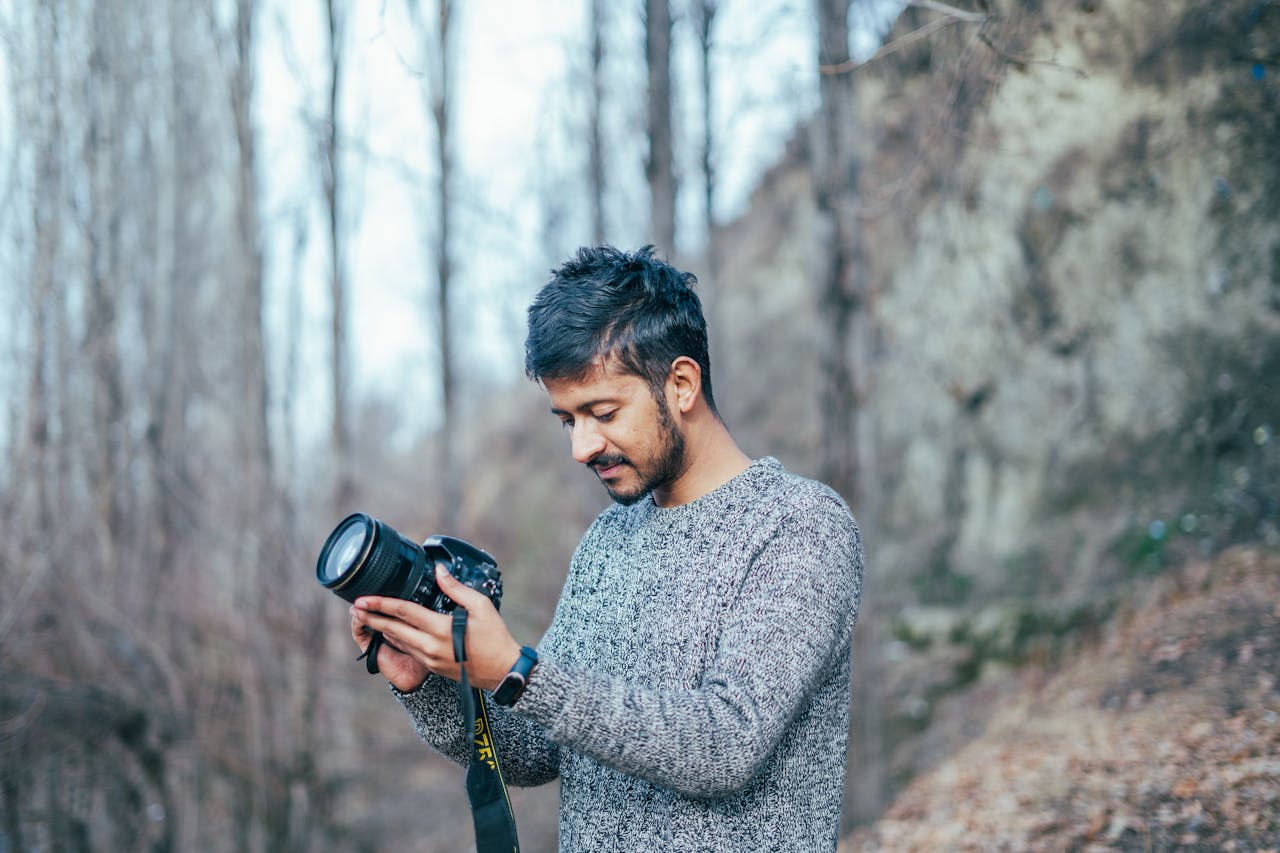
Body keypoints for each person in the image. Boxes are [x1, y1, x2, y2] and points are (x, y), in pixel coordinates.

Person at [349, 245, 864, 852]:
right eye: (568, 420)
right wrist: (431, 682)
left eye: (602, 412)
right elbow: (541, 750)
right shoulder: (606, 541)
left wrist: (517, 670)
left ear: (680, 384)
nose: (582, 447)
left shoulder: (801, 526)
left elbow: (725, 745)